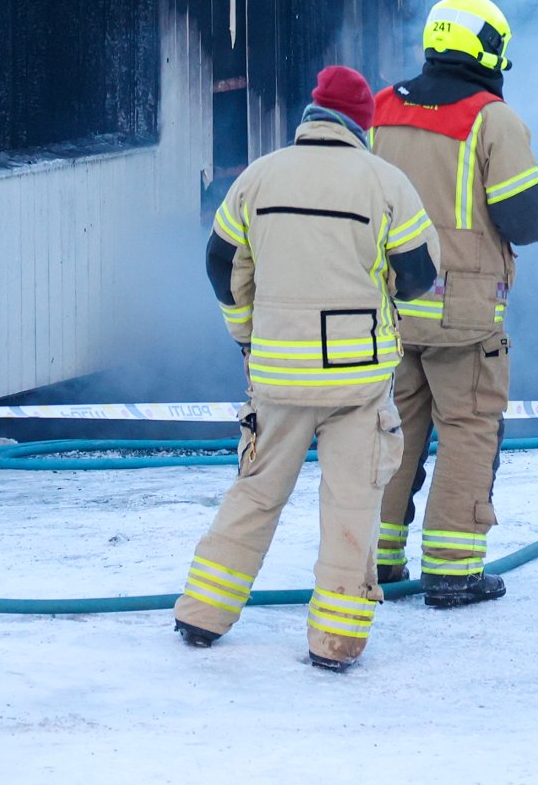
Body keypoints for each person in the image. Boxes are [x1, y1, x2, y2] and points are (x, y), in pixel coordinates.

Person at [173, 65, 438, 669]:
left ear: (311, 116)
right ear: (362, 125)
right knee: (352, 504)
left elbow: (220, 264)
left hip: (275, 373)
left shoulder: (258, 178)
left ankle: (202, 614)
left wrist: (245, 333)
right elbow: (420, 274)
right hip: (357, 377)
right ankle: (336, 641)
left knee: (256, 491)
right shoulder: (386, 183)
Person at [368, 0, 538, 606]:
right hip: (464, 316)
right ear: (489, 49)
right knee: (469, 429)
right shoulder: (492, 120)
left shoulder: (380, 109)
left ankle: (375, 560)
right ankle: (453, 572)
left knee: (391, 434)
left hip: (390, 309)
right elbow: (523, 217)